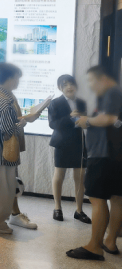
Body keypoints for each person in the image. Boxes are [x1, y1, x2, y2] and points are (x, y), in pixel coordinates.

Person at [0, 63, 42, 235]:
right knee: (0, 191)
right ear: (10, 78)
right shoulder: (4, 100)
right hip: (1, 153)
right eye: (17, 78)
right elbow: (7, 129)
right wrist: (24, 123)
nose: (18, 81)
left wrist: (23, 119)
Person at [67, 66, 122, 260]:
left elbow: (109, 118)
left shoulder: (112, 93)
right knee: (116, 198)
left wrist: (87, 121)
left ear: (103, 78)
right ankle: (110, 242)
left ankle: (95, 247)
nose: (90, 86)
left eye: (91, 81)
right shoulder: (116, 93)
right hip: (115, 155)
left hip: (103, 154)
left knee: (97, 199)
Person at [47, 74, 91, 223]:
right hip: (62, 143)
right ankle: (57, 208)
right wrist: (69, 117)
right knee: (59, 176)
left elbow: (85, 122)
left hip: (79, 143)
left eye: (71, 84)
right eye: (65, 85)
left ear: (75, 86)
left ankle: (79, 210)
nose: (69, 87)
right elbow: (52, 124)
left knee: (80, 178)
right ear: (60, 87)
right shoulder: (55, 103)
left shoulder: (81, 102)